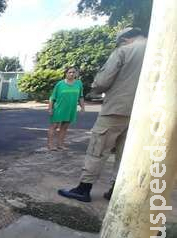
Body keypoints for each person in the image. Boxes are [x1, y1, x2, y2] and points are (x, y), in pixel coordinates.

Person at [58, 27, 147, 202]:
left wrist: (96, 88)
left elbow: (102, 82)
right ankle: (115, 190)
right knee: (126, 153)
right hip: (142, 112)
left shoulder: (124, 50)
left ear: (125, 39)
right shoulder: (158, 51)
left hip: (116, 108)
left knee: (97, 149)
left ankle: (83, 189)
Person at [48, 67, 85, 150]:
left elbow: (81, 96)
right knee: (54, 126)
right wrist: (50, 108)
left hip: (71, 109)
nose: (71, 74)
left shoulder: (78, 84)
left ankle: (60, 145)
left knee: (64, 127)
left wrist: (82, 107)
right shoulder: (60, 84)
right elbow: (52, 97)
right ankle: (50, 145)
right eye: (69, 72)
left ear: (76, 73)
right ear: (66, 73)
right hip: (59, 108)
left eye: (73, 72)